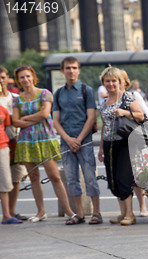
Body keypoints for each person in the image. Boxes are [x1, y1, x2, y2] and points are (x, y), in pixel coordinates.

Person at [11, 65, 76, 223]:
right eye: (22, 77)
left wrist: (25, 118)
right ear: (18, 81)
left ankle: (68, 210)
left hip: (45, 138)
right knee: (33, 177)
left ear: (33, 77)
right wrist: (32, 117)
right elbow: (15, 122)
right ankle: (41, 211)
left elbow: (45, 114)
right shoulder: (17, 99)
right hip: (26, 141)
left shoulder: (44, 93)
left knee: (54, 176)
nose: (25, 80)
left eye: (27, 76)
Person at [51, 57, 102, 225]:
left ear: (78, 70)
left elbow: (91, 117)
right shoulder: (58, 93)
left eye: (74, 67)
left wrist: (78, 139)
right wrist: (68, 139)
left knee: (89, 177)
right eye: (67, 68)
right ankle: (78, 214)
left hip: (84, 141)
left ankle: (97, 212)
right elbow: (56, 120)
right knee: (72, 179)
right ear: (62, 71)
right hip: (66, 143)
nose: (71, 71)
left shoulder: (86, 90)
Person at [97, 67, 145, 226]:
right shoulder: (103, 103)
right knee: (112, 180)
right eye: (107, 81)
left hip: (125, 142)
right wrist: (101, 148)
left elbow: (140, 116)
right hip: (109, 143)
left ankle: (130, 214)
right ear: (103, 83)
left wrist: (124, 113)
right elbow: (104, 125)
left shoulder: (127, 97)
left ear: (119, 82)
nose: (110, 84)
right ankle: (123, 213)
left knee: (123, 178)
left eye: (113, 81)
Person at [120, 69, 148, 217]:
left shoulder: (132, 95)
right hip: (118, 143)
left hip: (133, 142)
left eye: (119, 79)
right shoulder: (111, 98)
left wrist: (141, 132)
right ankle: (125, 211)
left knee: (136, 176)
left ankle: (142, 206)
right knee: (121, 177)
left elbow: (146, 116)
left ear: (125, 82)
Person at [0, 66, 27, 222]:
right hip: (3, 141)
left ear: (7, 78)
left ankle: (12, 210)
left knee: (16, 177)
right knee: (4, 178)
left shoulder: (15, 97)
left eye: (3, 77)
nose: (1, 81)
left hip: (17, 140)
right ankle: (6, 213)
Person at [0, 103, 19, 224]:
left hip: (2, 147)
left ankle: (6, 214)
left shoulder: (3, 110)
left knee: (5, 181)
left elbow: (7, 128)